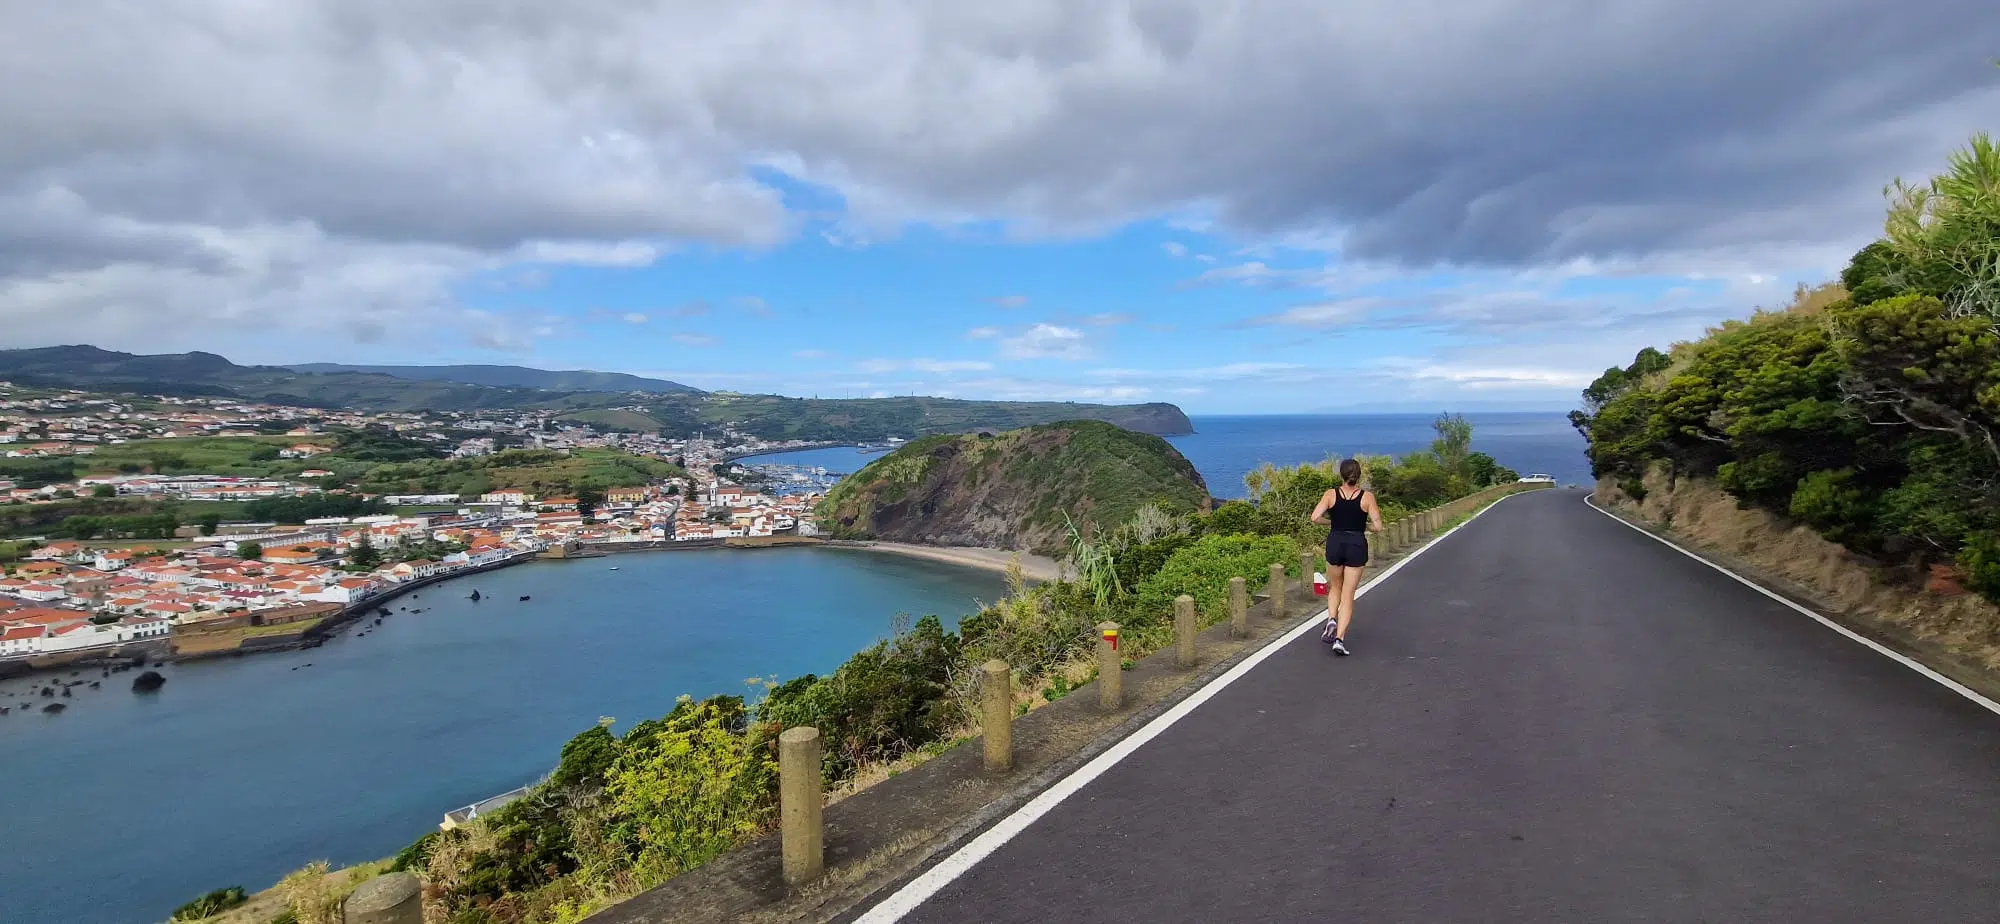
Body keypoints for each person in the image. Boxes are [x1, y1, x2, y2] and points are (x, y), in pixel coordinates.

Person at [1309, 458, 1383, 655]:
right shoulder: (1367, 497)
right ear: (1359, 476)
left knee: (1335, 587)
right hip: (1356, 544)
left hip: (1335, 543)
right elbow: (1378, 526)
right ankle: (1339, 639)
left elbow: (1315, 517)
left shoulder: (1331, 494)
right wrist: (1363, 526)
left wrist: (1331, 524)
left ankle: (1331, 619)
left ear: (1341, 474)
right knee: (1348, 594)